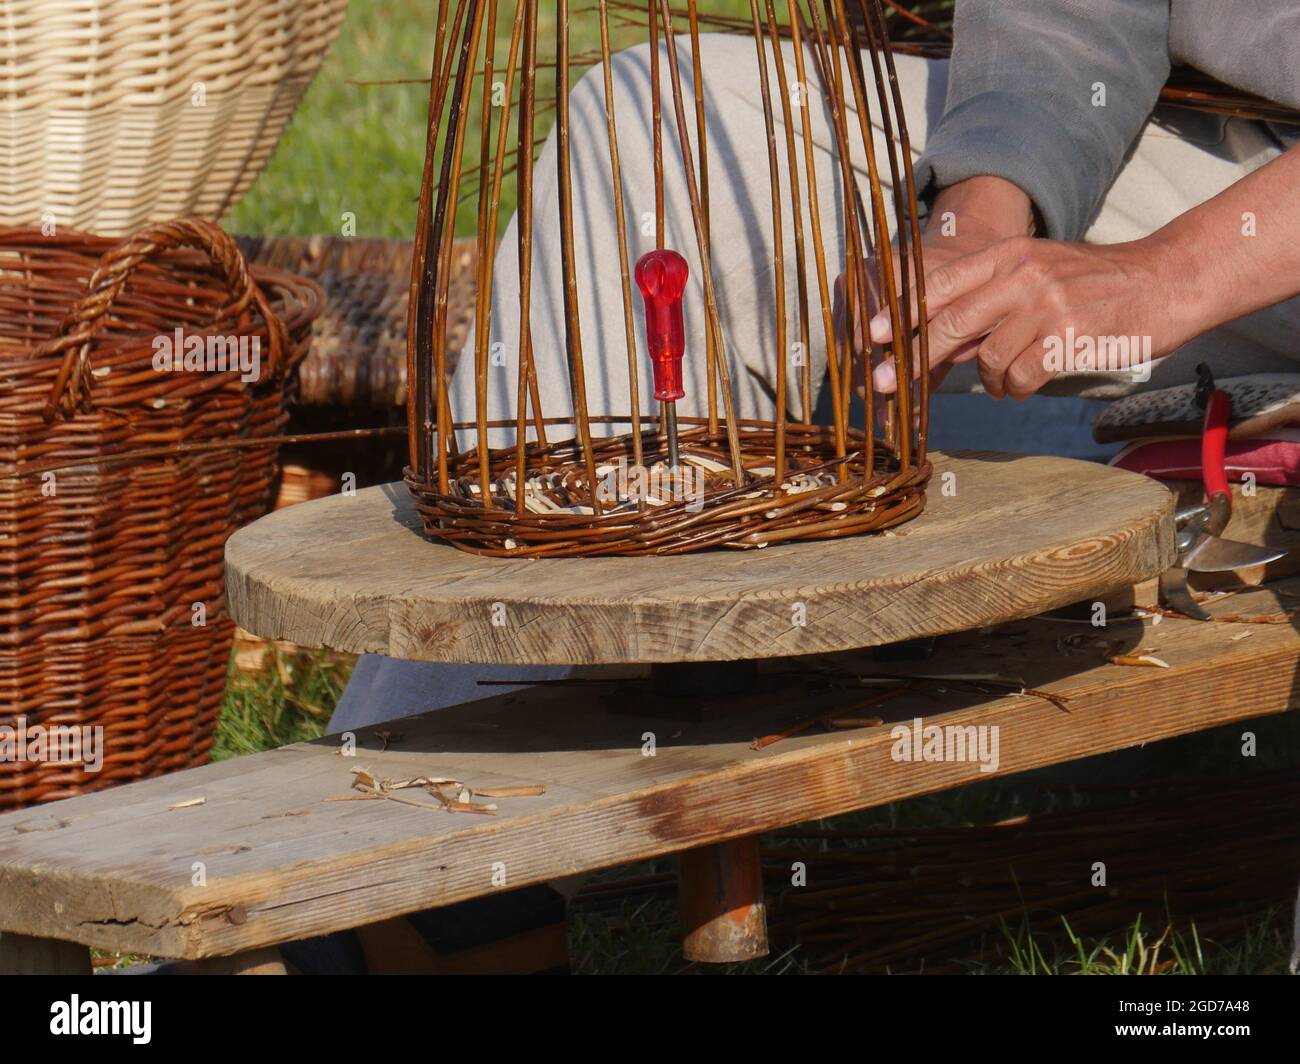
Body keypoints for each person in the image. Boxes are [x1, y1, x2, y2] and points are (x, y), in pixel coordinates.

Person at [312, 0, 1300, 971]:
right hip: (1239, 145)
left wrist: (1165, 277)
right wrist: (979, 213)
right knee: (655, 124)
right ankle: (424, 881)